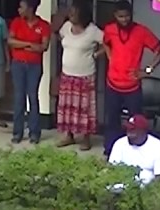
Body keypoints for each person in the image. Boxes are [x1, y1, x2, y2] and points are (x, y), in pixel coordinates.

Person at [100, 0, 160, 155]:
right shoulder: (109, 29)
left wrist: (147, 70)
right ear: (115, 15)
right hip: (112, 84)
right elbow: (105, 43)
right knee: (112, 121)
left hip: (132, 86)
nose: (124, 19)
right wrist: (111, 58)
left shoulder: (141, 31)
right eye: (121, 16)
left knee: (136, 121)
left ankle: (137, 151)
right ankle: (111, 152)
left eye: (127, 16)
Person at [55, 2, 103, 149]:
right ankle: (69, 136)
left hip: (85, 75)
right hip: (67, 74)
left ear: (82, 14)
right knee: (67, 107)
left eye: (74, 12)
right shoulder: (66, 27)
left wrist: (95, 54)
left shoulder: (93, 31)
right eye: (70, 12)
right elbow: (58, 36)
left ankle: (86, 139)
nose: (71, 15)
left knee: (84, 109)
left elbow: (107, 44)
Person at [6, 0, 49, 144]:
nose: (19, 10)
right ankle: (17, 132)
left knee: (33, 97)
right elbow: (11, 41)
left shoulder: (43, 25)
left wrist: (21, 44)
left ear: (30, 8)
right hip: (18, 64)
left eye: (22, 7)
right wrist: (29, 44)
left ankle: (34, 133)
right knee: (19, 98)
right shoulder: (16, 22)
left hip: (34, 66)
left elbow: (43, 46)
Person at [107, 114, 160, 186]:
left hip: (148, 187)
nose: (129, 134)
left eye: (133, 130)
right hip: (122, 183)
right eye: (128, 130)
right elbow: (112, 168)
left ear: (143, 131)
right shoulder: (119, 143)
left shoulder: (158, 147)